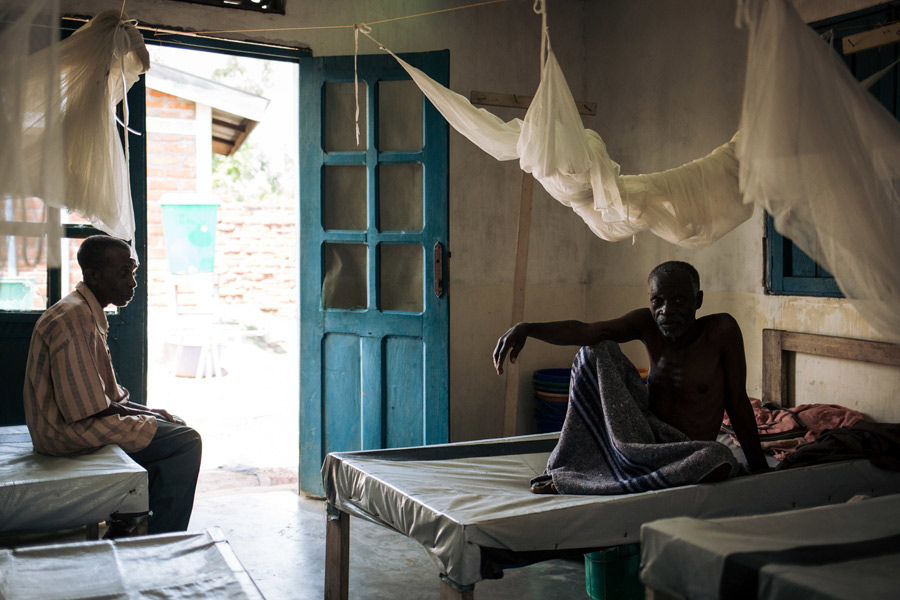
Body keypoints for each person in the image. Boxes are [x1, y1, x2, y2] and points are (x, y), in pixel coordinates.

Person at [493, 261, 768, 492]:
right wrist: (527, 328)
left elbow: (738, 403)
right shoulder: (645, 324)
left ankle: (611, 477)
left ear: (698, 301)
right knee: (597, 350)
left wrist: (760, 468)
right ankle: (602, 470)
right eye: (657, 301)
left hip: (688, 451)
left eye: (680, 300)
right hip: (644, 443)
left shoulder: (721, 331)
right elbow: (589, 330)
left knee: (718, 457)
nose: (666, 311)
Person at [23, 235, 202, 535]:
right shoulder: (75, 319)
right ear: (92, 275)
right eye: (123, 272)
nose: (132, 282)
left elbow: (103, 398)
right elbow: (88, 409)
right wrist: (145, 417)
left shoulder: (84, 310)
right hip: (63, 432)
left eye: (132, 272)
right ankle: (159, 538)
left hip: (80, 419)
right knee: (185, 442)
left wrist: (149, 412)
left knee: (174, 426)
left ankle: (135, 523)